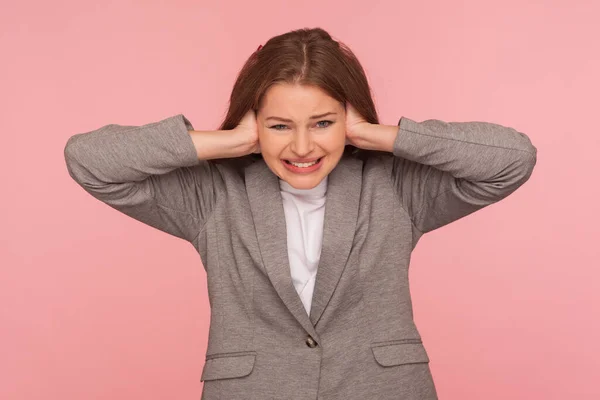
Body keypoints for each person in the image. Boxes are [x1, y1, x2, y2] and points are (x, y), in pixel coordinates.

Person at [63, 27, 537, 400]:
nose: (303, 146)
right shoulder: (212, 195)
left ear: (348, 119)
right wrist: (229, 142)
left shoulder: (394, 185)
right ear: (254, 124)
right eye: (279, 125)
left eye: (323, 123)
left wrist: (381, 136)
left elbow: (512, 159)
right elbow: (89, 160)